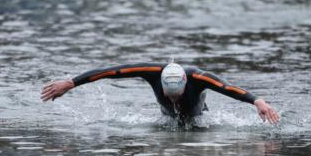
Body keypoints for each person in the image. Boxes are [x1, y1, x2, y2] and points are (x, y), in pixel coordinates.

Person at [41, 61, 280, 125]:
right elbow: (110, 71)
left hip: (199, 119)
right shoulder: (152, 72)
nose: (172, 99)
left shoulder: (199, 77)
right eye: (169, 95)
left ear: (186, 84)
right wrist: (71, 83)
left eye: (176, 95)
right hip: (166, 121)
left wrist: (258, 101)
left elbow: (229, 88)